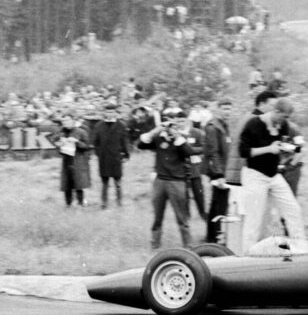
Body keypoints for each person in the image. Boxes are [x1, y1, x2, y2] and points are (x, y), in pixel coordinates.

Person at [238, 97, 306, 248]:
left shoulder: (283, 125)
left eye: (287, 118)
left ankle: (301, 249)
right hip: (255, 174)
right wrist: (269, 149)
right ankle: (247, 256)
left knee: (293, 210)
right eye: (284, 117)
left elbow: (281, 145)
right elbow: (243, 151)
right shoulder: (253, 124)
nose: (285, 121)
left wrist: (288, 150)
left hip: (273, 175)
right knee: (255, 219)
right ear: (275, 111)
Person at [138, 111, 194, 249]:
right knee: (157, 217)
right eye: (167, 120)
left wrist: (176, 135)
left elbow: (188, 153)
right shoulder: (158, 138)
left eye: (173, 120)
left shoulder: (181, 138)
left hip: (177, 181)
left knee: (182, 217)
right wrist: (157, 130)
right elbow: (140, 144)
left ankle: (188, 246)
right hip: (160, 181)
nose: (170, 124)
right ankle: (155, 245)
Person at [204, 98, 233, 243]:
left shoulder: (224, 126)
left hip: (224, 171)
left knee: (216, 205)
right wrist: (219, 175)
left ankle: (211, 238)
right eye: (224, 108)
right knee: (220, 207)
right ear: (218, 109)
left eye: (229, 109)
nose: (227, 112)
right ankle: (217, 239)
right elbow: (213, 152)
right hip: (219, 173)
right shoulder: (213, 127)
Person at [92, 102, 130, 209]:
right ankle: (104, 202)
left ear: (115, 113)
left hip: (116, 157)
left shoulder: (121, 125)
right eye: (108, 112)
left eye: (112, 112)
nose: (110, 114)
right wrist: (99, 154)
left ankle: (119, 202)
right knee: (104, 182)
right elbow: (96, 143)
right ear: (104, 112)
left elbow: (124, 142)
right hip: (104, 158)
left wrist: (125, 155)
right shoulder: (99, 125)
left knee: (118, 181)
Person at [49, 113, 91, 207]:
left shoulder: (81, 132)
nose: (65, 123)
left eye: (67, 120)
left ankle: (80, 203)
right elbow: (53, 140)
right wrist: (58, 144)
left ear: (73, 120)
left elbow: (87, 146)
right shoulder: (60, 132)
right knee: (67, 184)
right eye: (63, 121)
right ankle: (68, 204)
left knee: (78, 183)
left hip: (77, 160)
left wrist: (77, 142)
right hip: (66, 160)